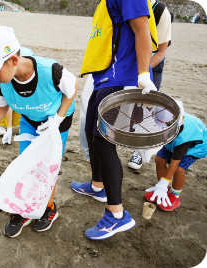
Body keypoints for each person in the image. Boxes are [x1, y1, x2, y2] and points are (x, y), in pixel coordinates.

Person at [0, 26, 78, 238]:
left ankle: (48, 208)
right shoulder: (3, 82)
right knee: (26, 162)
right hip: (30, 120)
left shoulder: (52, 70)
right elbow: (1, 108)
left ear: (13, 60)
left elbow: (72, 87)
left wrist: (57, 118)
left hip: (56, 122)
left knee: (48, 166)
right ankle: (24, 209)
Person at [71, 0, 159, 240]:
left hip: (122, 78)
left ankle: (117, 214)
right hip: (105, 78)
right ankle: (97, 186)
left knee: (103, 141)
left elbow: (141, 27)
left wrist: (142, 74)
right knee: (90, 133)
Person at [128, 0, 173, 169]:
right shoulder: (128, 3)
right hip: (128, 61)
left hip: (151, 64)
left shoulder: (161, 11)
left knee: (146, 108)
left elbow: (161, 51)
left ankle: (138, 153)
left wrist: (142, 72)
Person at [145, 103, 207, 211]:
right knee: (159, 159)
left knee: (179, 169)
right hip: (174, 140)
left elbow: (174, 163)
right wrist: (162, 186)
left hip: (195, 147)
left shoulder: (184, 138)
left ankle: (175, 196)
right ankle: (163, 189)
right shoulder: (167, 117)